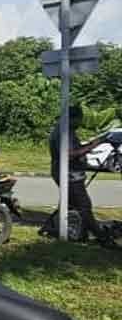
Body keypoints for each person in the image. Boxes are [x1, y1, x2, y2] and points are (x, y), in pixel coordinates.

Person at [47, 105, 115, 248]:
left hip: (66, 172)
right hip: (69, 175)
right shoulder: (64, 132)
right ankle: (102, 238)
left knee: (69, 204)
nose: (80, 123)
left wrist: (90, 145)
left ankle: (59, 229)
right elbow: (70, 154)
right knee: (84, 206)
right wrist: (94, 144)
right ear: (72, 119)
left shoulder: (64, 130)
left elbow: (74, 150)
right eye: (79, 120)